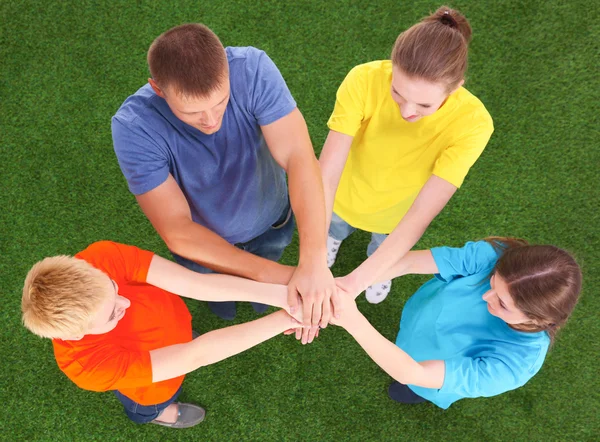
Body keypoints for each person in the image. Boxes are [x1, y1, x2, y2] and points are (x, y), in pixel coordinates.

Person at [112, 23, 336, 338]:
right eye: (192, 112)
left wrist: (312, 262)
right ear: (158, 89)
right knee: (220, 297)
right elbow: (177, 230)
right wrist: (284, 280)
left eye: (221, 102)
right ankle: (226, 304)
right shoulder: (134, 127)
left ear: (229, 73)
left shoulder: (254, 69)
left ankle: (252, 297)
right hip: (204, 247)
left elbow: (299, 157)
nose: (211, 119)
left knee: (269, 258)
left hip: (272, 220)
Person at [21, 241, 304, 428]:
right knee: (152, 404)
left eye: (113, 287)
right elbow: (196, 355)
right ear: (79, 334)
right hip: (154, 388)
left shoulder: (100, 258)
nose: (126, 303)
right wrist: (286, 318)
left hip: (176, 329)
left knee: (189, 339)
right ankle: (159, 415)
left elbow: (196, 284)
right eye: (111, 314)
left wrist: (284, 297)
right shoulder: (87, 367)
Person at [320, 6, 494, 304]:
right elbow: (326, 173)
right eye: (398, 92)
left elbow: (421, 214)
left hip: (398, 214)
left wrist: (355, 283)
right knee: (336, 224)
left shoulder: (474, 124)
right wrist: (311, 256)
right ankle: (332, 239)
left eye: (424, 106)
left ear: (456, 88)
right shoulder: (363, 79)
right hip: (346, 193)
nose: (406, 111)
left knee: (382, 247)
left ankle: (380, 268)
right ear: (392, 65)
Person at [331, 238, 582, 408]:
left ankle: (414, 393)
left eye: (503, 304)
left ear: (538, 320)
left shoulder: (516, 364)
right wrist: (350, 285)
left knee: (411, 386)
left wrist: (352, 319)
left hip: (423, 375)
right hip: (419, 323)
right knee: (402, 343)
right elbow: (406, 261)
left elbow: (412, 373)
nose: (486, 296)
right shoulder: (495, 256)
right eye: (492, 282)